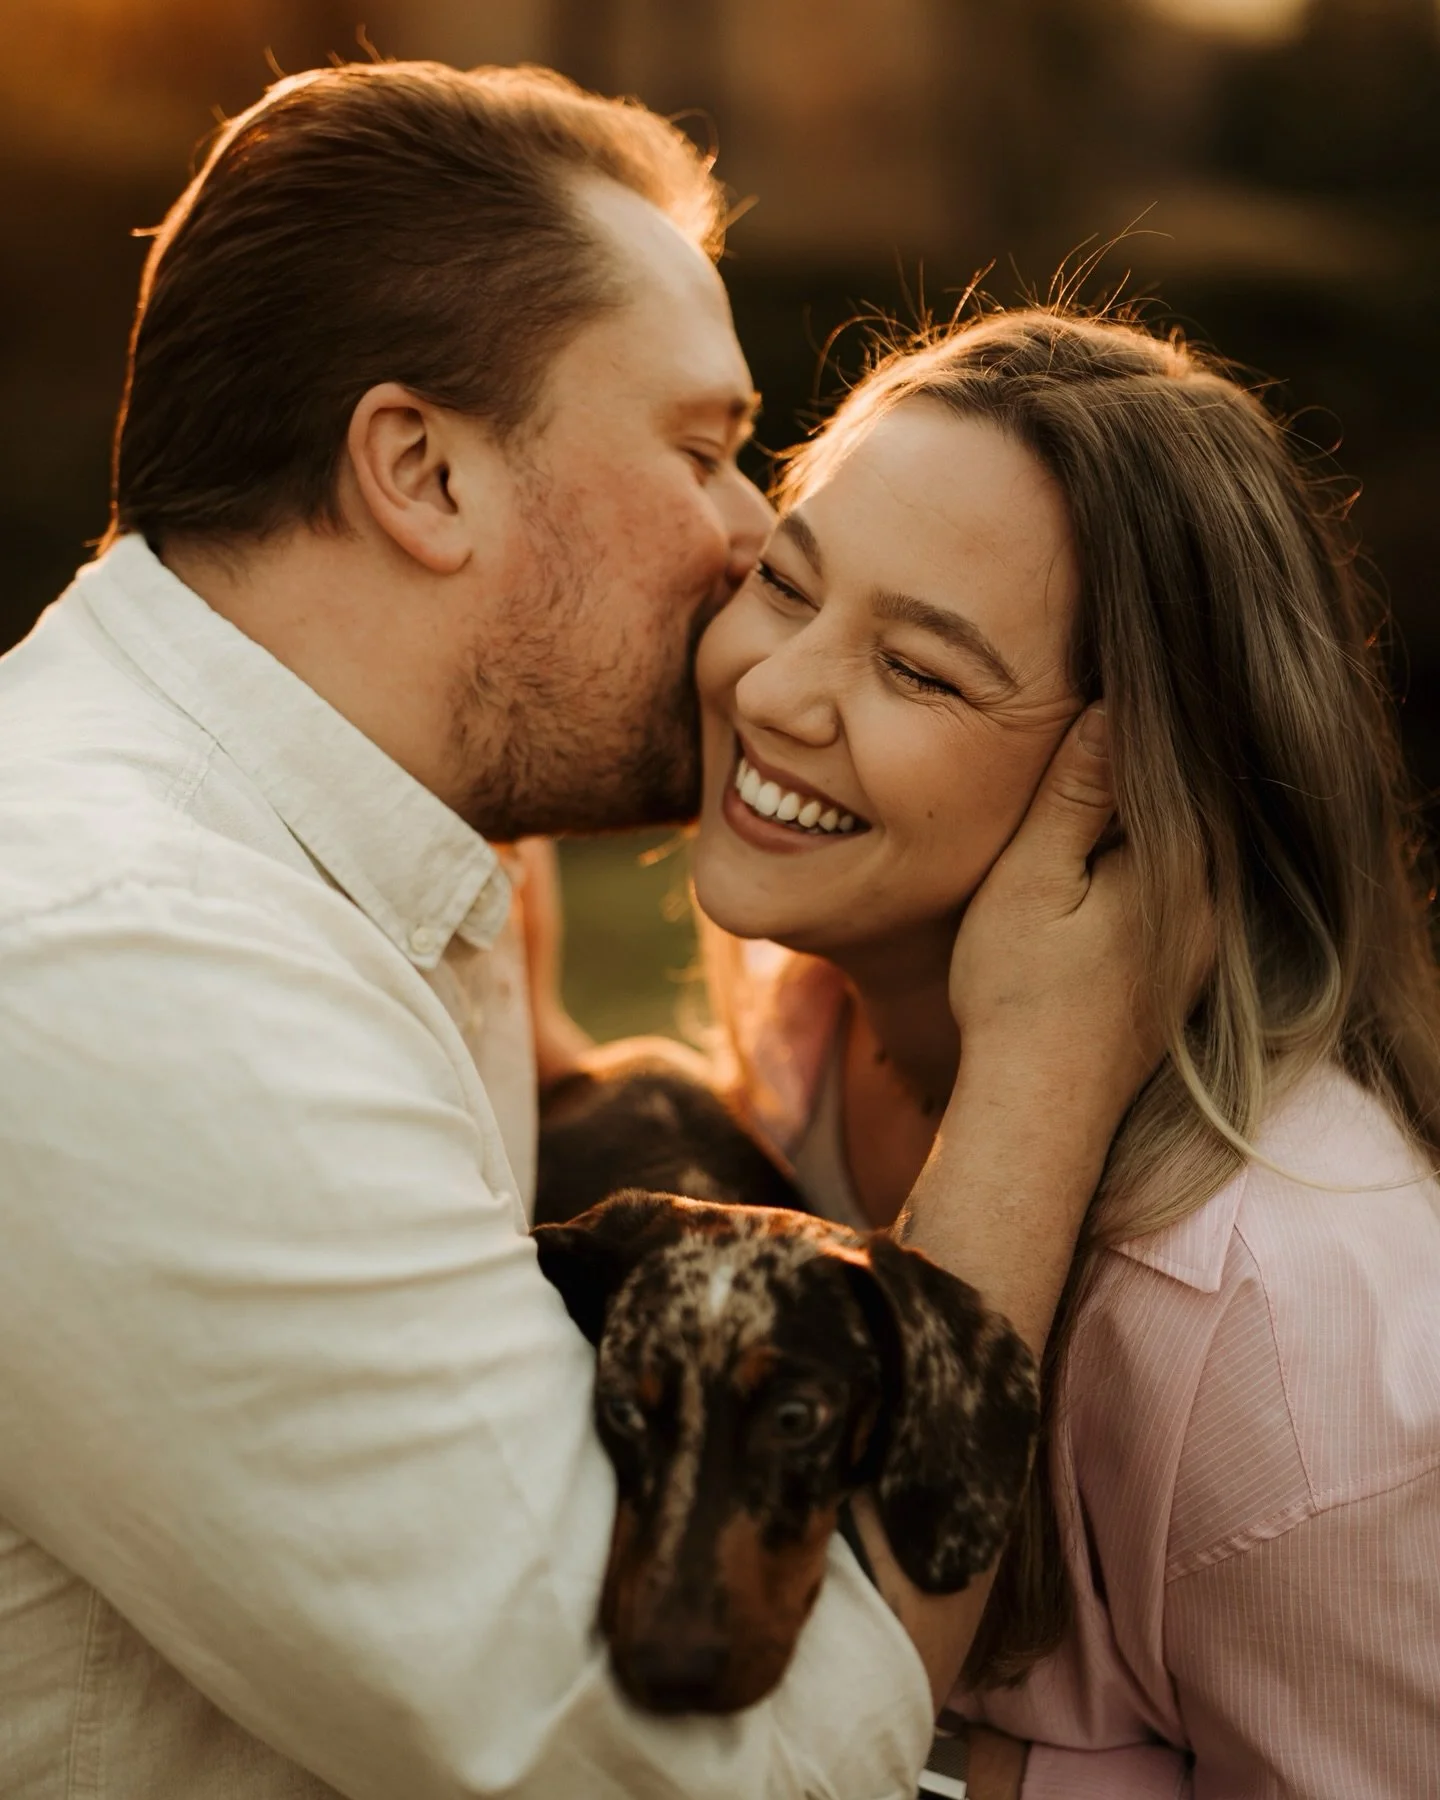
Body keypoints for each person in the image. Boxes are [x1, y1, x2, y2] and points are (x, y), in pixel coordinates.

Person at [0, 62, 1157, 1800]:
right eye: (699, 449)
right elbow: (721, 1771)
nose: (753, 532)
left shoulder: (367, 852)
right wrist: (1050, 1065)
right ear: (423, 473)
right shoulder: (132, 971)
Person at [660, 307, 1440, 1797]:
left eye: (921, 671)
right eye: (785, 584)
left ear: (1134, 795)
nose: (769, 689)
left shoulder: (1285, 1330)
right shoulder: (813, 1017)